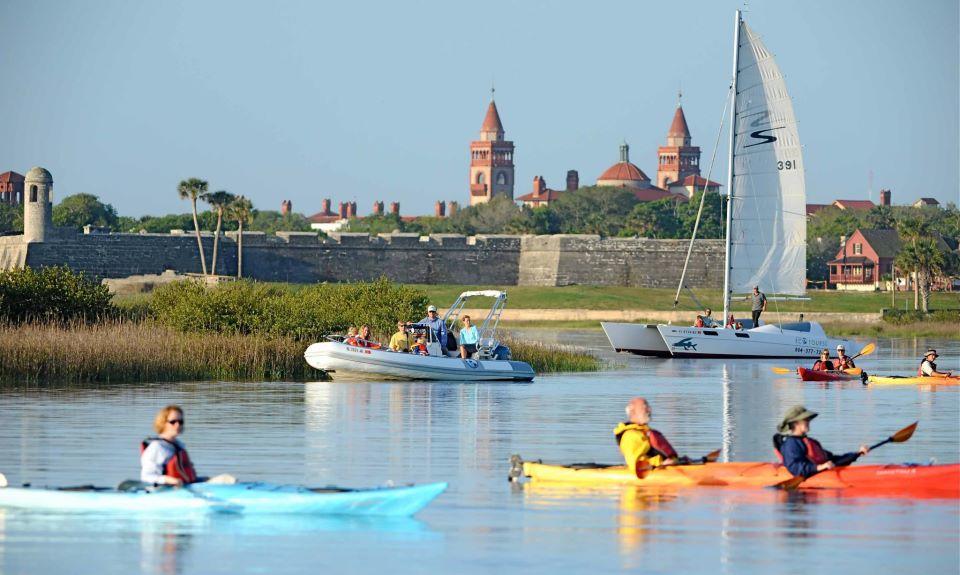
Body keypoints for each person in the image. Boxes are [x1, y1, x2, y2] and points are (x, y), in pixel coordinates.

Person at [773, 405, 868, 478]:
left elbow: (833, 460)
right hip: (807, 476)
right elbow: (795, 468)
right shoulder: (791, 444)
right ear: (795, 423)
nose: (809, 422)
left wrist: (857, 454)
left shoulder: (811, 441)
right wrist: (819, 467)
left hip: (820, 472)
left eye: (809, 419)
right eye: (805, 420)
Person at [614, 397, 679, 474]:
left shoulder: (644, 431)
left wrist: (677, 460)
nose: (649, 410)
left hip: (664, 467)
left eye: (649, 407)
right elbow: (635, 466)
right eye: (645, 407)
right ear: (633, 411)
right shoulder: (631, 436)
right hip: (649, 473)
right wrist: (661, 463)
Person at [141, 405, 198, 486]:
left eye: (180, 422)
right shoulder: (156, 447)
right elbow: (146, 477)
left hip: (183, 486)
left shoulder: (179, 445)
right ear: (163, 423)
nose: (177, 425)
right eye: (173, 422)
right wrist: (169, 480)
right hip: (162, 491)